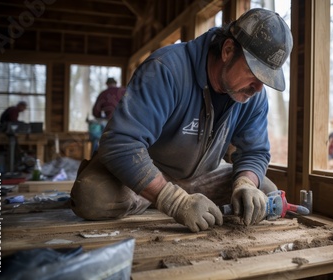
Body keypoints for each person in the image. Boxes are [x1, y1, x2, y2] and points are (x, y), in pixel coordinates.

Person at [70, 8, 293, 233]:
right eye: (254, 73)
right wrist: (174, 201)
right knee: (90, 196)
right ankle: (156, 198)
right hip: (147, 171)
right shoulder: (166, 69)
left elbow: (254, 152)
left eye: (265, 79)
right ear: (227, 50)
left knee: (262, 194)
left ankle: (177, 201)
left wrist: (245, 183)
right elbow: (120, 142)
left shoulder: (253, 96)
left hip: (201, 176)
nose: (258, 88)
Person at [88, 78, 126, 154]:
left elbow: (96, 112)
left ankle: (93, 157)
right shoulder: (124, 91)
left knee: (95, 136)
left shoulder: (103, 94)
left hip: (109, 121)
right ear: (116, 83)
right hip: (126, 122)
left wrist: (101, 116)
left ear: (107, 84)